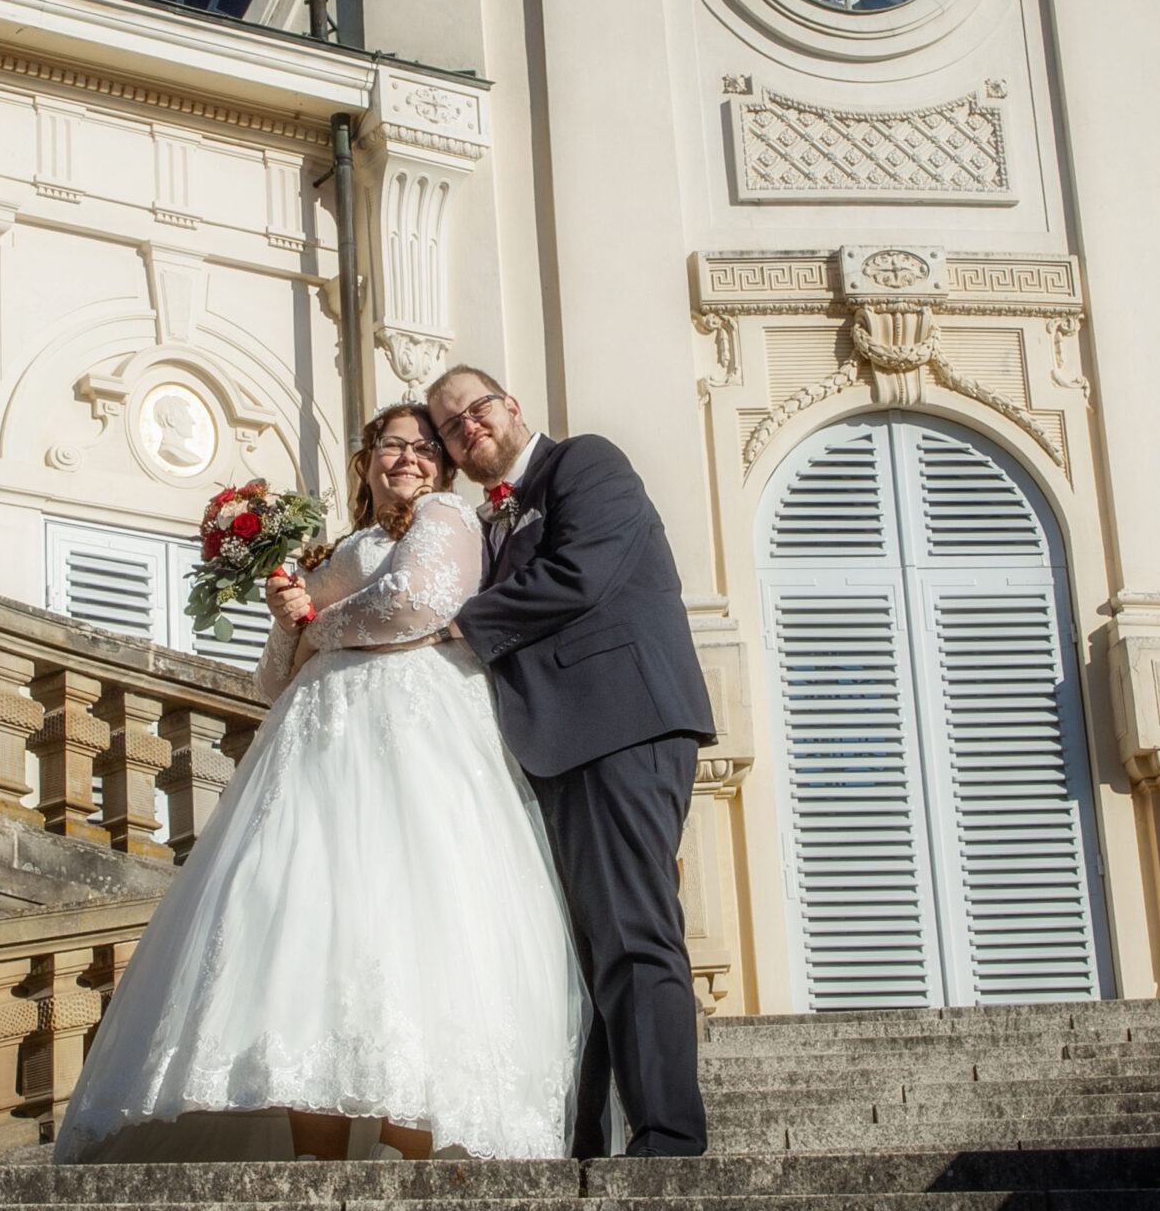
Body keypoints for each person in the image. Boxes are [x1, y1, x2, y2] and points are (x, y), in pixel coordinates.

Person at [53, 403, 585, 1164]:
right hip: (315, 742)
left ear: (443, 466)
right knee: (303, 917)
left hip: (412, 731)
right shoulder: (335, 547)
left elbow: (415, 605)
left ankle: (410, 1145)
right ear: (367, 460)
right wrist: (285, 621)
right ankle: (316, 1151)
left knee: (412, 915)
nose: (409, 457)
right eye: (392, 444)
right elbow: (274, 682)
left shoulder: (445, 515)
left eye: (425, 447)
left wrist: (315, 630)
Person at [426, 366, 717, 1159]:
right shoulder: (484, 521)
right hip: (551, 748)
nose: (468, 426)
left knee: (632, 929)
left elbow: (580, 573)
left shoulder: (585, 462)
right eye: (451, 425)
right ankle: (586, 1138)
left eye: (477, 408)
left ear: (512, 406)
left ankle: (668, 1138)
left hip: (619, 722)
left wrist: (458, 625)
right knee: (577, 954)